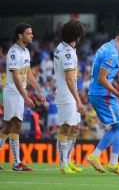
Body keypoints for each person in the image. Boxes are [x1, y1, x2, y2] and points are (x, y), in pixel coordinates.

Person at [86, 25, 119, 176]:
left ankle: (96, 156)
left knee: (117, 127)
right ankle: (112, 163)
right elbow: (102, 78)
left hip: (99, 93)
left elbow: (103, 76)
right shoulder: (112, 52)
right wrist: (117, 93)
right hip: (102, 94)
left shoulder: (106, 47)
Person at [0, 23, 46, 171]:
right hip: (13, 93)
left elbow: (28, 74)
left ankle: (17, 163)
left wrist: (39, 91)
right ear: (20, 35)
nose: (32, 36)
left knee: (11, 126)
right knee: (13, 125)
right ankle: (17, 163)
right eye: (29, 33)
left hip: (18, 94)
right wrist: (25, 96)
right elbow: (16, 77)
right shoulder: (14, 52)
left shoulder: (25, 51)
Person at [53, 20, 86, 174]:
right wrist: (78, 100)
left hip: (69, 94)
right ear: (76, 35)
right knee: (65, 128)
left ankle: (68, 159)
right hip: (66, 95)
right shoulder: (67, 52)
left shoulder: (64, 47)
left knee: (75, 127)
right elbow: (68, 79)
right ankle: (63, 164)